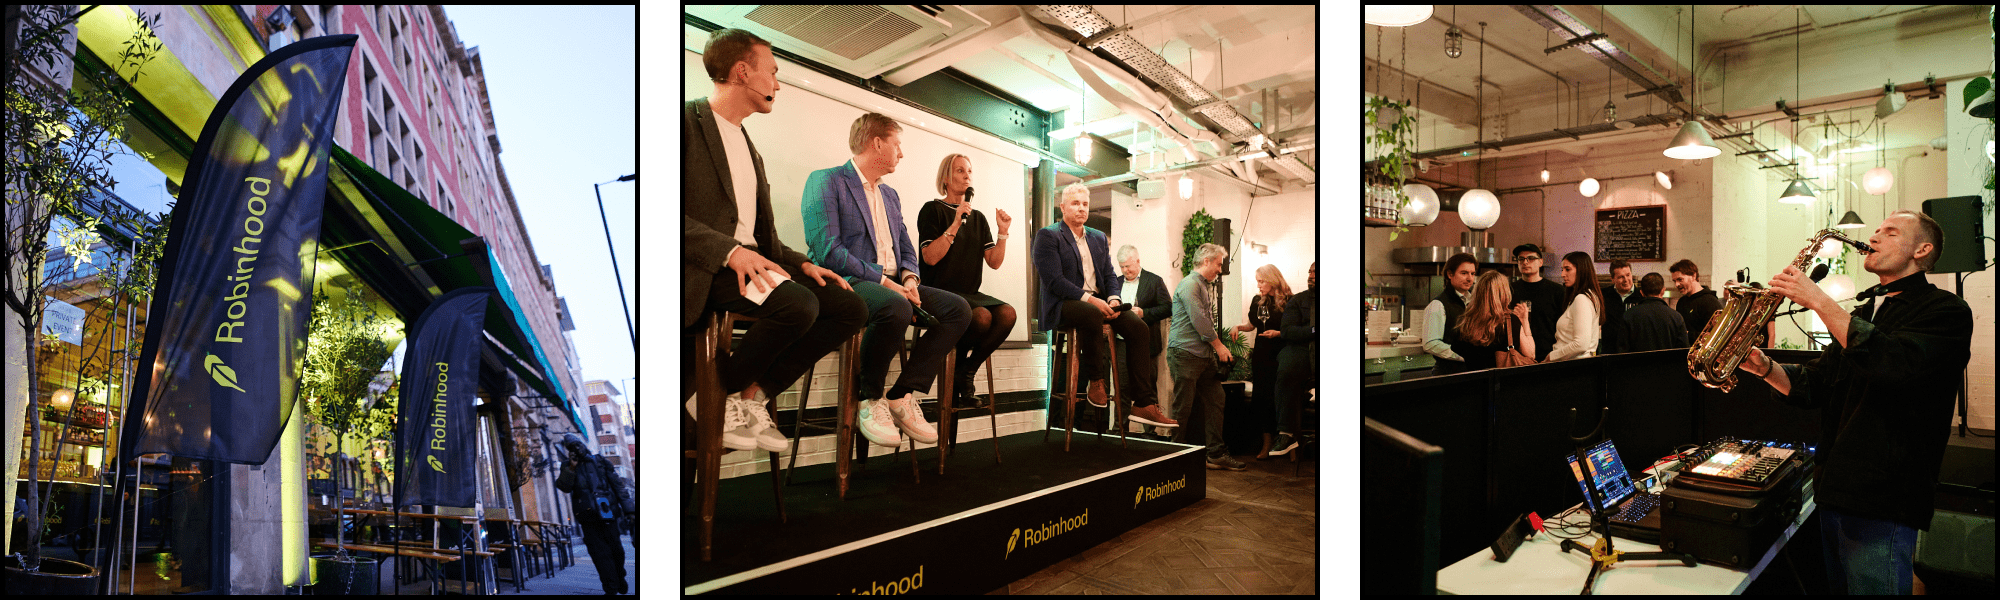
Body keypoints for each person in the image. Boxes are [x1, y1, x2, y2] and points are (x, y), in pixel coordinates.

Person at [1738, 210, 1972, 595]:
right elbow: (1816, 384)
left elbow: (1894, 363)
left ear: (1922, 250)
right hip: (1836, 489)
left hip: (1884, 495)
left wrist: (1820, 301)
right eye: (1876, 230)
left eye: (1890, 232)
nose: (1875, 236)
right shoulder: (1866, 311)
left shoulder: (1946, 311)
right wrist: (1765, 367)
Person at [683, 28, 866, 452]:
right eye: (773, 73)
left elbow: (763, 240)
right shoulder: (682, 123)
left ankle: (752, 395)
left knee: (848, 307)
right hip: (704, 269)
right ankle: (708, 396)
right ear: (742, 72)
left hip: (753, 266)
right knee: (797, 303)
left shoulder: (750, 148)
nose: (778, 84)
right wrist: (728, 252)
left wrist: (803, 263)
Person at [802, 113, 972, 449]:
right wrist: (883, 280)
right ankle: (870, 398)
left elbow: (908, 247)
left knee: (959, 310)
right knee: (894, 306)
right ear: (877, 143)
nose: (902, 153)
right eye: (897, 145)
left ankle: (901, 395)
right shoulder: (826, 180)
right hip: (849, 281)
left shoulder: (890, 195)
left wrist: (909, 277)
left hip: (895, 283)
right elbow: (827, 251)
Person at [1031, 184, 1173, 428]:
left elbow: (1108, 275)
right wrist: (1091, 300)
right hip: (1063, 305)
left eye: (1085, 204)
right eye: (1075, 203)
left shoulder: (1097, 237)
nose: (1081, 208)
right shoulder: (1048, 235)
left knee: (1138, 326)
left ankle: (1144, 403)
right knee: (1090, 313)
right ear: (1063, 207)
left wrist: (1113, 298)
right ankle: (1096, 381)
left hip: (1097, 303)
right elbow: (1054, 281)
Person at [916, 153, 1014, 410]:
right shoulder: (933, 210)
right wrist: (956, 222)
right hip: (939, 292)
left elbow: (994, 261)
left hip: (969, 293)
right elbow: (929, 258)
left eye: (969, 171)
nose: (967, 175)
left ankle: (966, 371)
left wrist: (1003, 232)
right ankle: (960, 372)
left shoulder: (978, 218)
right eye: (960, 171)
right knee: (981, 317)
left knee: (1007, 314)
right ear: (946, 178)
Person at [1168, 243, 1243, 470]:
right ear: (1207, 261)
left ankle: (1215, 453)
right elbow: (1199, 320)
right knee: (1183, 407)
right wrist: (1219, 347)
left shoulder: (1201, 285)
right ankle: (1174, 455)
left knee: (1216, 399)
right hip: (1185, 354)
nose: (1220, 269)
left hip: (1201, 356)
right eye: (1219, 264)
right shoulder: (1190, 284)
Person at [555, 433, 633, 595]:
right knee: (599, 554)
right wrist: (572, 467)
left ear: (583, 444)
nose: (576, 449)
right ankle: (610, 587)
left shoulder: (600, 461)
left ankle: (619, 576)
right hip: (587, 517)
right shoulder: (567, 466)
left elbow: (618, 486)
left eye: (577, 444)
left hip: (608, 513)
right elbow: (564, 487)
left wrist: (629, 510)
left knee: (617, 550)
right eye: (571, 447)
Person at [1115, 245, 1179, 427]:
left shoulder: (1154, 281)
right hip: (1120, 342)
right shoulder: (1116, 283)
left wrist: (1144, 313)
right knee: (1122, 386)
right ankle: (1119, 427)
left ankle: (1150, 431)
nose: (1125, 270)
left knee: (1148, 385)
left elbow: (1168, 307)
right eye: (1122, 267)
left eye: (1128, 266)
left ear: (1138, 261)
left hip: (1146, 342)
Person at [1233, 264, 1290, 459]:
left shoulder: (1289, 300)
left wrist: (1278, 333)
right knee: (1262, 398)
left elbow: (1294, 330)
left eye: (1262, 281)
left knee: (1280, 397)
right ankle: (1266, 444)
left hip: (1281, 352)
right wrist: (1238, 327)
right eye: (1257, 281)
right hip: (1262, 353)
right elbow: (1253, 325)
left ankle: (1287, 443)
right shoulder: (1258, 301)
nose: (1258, 285)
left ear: (1273, 280)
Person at [1269, 262, 1317, 457]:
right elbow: (1288, 331)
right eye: (1310, 271)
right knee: (1287, 370)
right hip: (1301, 349)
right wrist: (1314, 330)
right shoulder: (1298, 301)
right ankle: (1286, 433)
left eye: (1316, 271)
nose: (1311, 275)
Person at [1449, 271, 1536, 371]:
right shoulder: (1510, 321)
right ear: (1504, 293)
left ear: (1477, 293)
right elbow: (1531, 354)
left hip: (1474, 383)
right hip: (1503, 384)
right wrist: (1524, 320)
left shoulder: (1465, 322)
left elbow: (1457, 350)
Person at [1422, 253, 1479, 375]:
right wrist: (1463, 356)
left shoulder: (1473, 303)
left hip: (1471, 371)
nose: (1470, 278)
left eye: (1472, 274)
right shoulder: (1438, 305)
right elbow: (1430, 344)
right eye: (1464, 273)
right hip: (1448, 373)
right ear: (1450, 274)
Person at [1510, 244, 1567, 362]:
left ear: (1541, 262)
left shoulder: (1556, 290)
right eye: (1521, 259)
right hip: (1518, 357)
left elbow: (1565, 326)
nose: (1525, 262)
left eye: (1530, 258)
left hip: (1549, 355)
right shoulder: (1509, 290)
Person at [1547, 251, 1604, 361]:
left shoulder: (1582, 299)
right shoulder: (1590, 295)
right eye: (1562, 269)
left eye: (1568, 269)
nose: (1563, 274)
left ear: (1582, 270)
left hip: (1573, 366)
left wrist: (1552, 356)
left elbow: (1581, 344)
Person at [1622, 273, 1688, 352]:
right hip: (1668, 364)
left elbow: (1622, 350)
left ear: (1642, 293)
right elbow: (1684, 351)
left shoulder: (1628, 316)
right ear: (1663, 291)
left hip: (1637, 364)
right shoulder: (1676, 317)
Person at [1670, 259, 1724, 341]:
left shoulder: (1710, 302)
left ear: (1693, 276)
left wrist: (1687, 334)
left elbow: (1718, 335)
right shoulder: (1682, 302)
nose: (1677, 284)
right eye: (1674, 281)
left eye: (1680, 279)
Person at [1599, 259, 1638, 354]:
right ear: (1612, 279)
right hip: (1609, 351)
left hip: (1634, 351)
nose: (1626, 280)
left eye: (1628, 275)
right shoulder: (1603, 295)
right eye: (1621, 277)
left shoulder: (1641, 296)